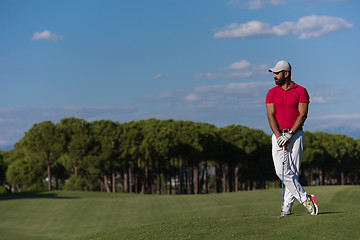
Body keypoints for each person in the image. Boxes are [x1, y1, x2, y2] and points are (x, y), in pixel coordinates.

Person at [265, 60, 318, 216]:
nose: (274, 76)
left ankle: (286, 207)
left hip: (295, 136)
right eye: (273, 73)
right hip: (278, 135)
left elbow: (303, 115)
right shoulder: (271, 92)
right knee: (280, 171)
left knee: (293, 172)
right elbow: (270, 116)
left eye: (277, 73)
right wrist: (279, 136)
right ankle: (306, 199)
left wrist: (290, 134)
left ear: (286, 74)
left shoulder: (301, 90)